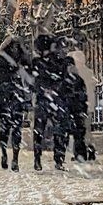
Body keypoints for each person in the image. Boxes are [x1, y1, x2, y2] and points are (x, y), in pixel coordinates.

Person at [0, 34, 32, 170]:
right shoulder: (2, 58)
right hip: (7, 97)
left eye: (17, 46)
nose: (16, 49)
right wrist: (14, 72)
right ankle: (4, 153)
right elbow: (0, 76)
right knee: (5, 129)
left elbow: (29, 73)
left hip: (17, 97)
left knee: (16, 129)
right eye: (14, 46)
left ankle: (15, 158)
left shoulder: (22, 58)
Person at [31, 34, 65, 172]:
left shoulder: (47, 62)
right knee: (52, 130)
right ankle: (48, 159)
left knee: (47, 131)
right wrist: (48, 89)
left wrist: (49, 89)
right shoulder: (40, 62)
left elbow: (60, 77)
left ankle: (51, 159)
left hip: (48, 99)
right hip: (49, 100)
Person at [61, 44, 92, 164]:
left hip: (75, 109)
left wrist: (81, 106)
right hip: (70, 110)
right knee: (69, 134)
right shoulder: (66, 80)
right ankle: (63, 156)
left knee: (78, 134)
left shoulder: (77, 79)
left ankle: (79, 155)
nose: (70, 67)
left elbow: (83, 94)